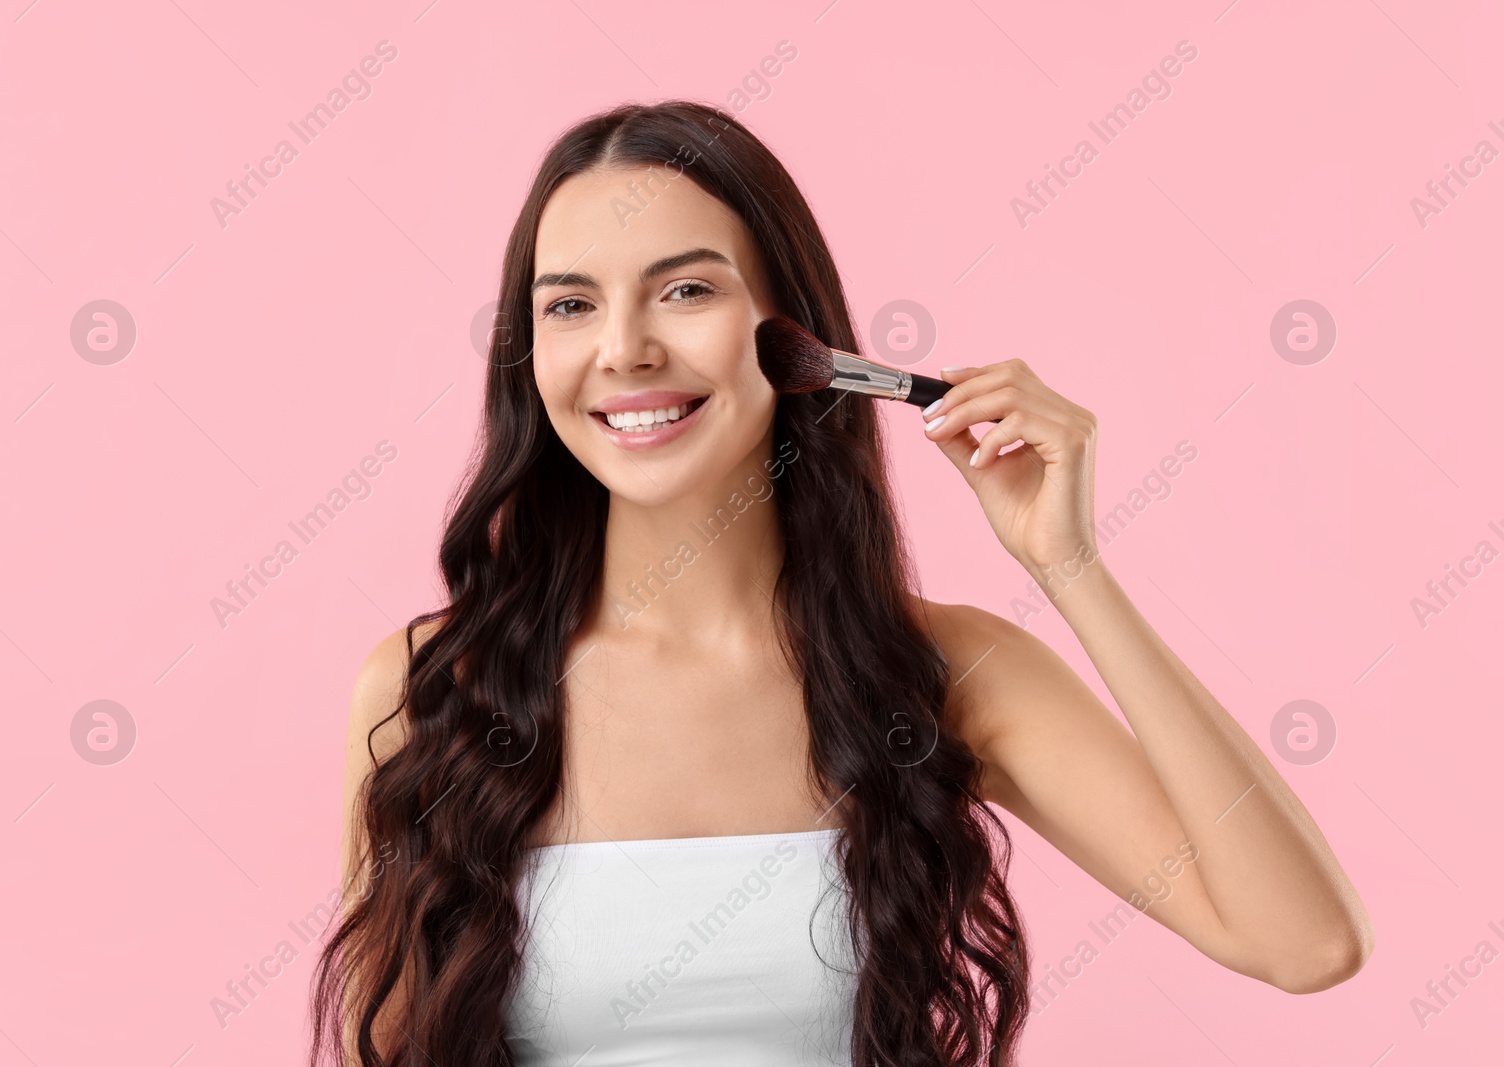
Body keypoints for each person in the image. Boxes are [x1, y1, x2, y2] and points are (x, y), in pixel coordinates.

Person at [309, 100, 1374, 1067]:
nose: (625, 348)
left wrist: (1068, 567)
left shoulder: (947, 674)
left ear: (793, 335)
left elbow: (1304, 940)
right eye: (571, 305)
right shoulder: (429, 691)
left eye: (685, 289)